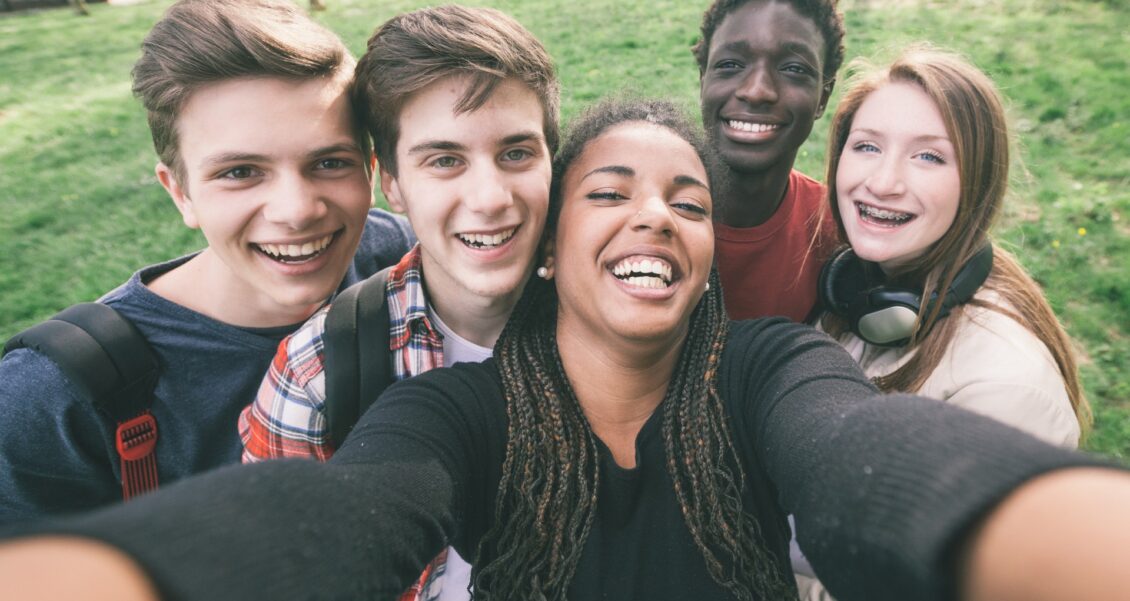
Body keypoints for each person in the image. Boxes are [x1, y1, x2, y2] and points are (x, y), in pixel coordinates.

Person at [0, 98, 1126, 601]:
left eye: (686, 201)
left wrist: (1054, 537)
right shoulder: (458, 412)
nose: (655, 215)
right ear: (548, 250)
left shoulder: (768, 368)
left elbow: (864, 456)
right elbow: (345, 513)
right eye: (610, 191)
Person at [0, 0, 414, 522]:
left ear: (370, 171)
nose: (297, 210)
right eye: (241, 172)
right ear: (181, 193)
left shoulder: (401, 256)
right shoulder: (51, 399)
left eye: (330, 162)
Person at [238, 6, 558, 600]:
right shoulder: (317, 375)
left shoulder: (621, 319)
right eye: (444, 160)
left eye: (516, 152)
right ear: (393, 184)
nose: (490, 198)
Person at [817, 46, 1091, 447]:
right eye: (867, 146)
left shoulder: (1004, 391)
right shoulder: (854, 289)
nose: (882, 183)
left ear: (976, 185)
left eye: (928, 156)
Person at [693, 0, 844, 321]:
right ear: (702, 79)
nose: (757, 91)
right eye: (731, 64)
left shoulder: (836, 230)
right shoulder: (640, 212)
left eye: (793, 68)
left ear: (823, 98)